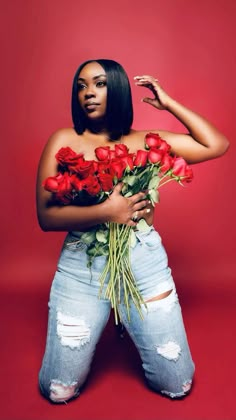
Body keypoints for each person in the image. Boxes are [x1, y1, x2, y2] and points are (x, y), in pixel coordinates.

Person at [37, 59, 229, 403]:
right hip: (83, 264)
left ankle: (126, 316)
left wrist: (168, 103)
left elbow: (217, 144)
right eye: (81, 86)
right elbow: (46, 217)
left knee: (177, 385)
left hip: (143, 263)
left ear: (119, 88)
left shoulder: (146, 142)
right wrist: (107, 211)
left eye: (98, 84)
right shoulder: (63, 140)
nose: (88, 93)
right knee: (57, 389)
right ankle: (109, 314)